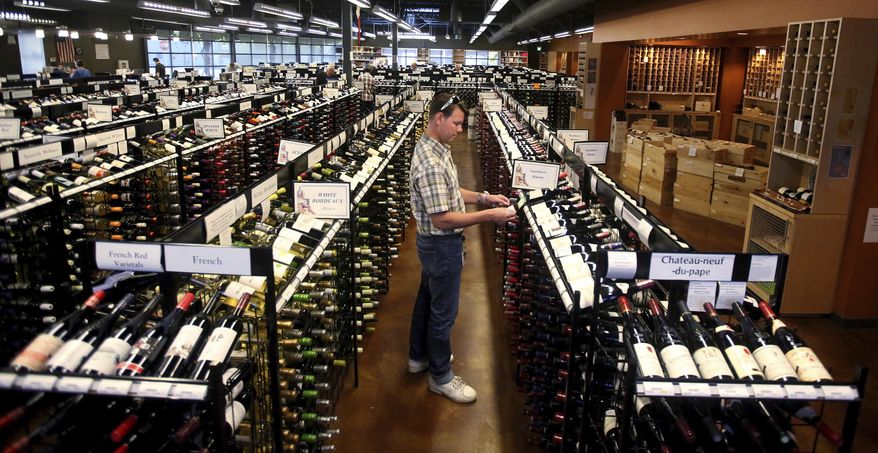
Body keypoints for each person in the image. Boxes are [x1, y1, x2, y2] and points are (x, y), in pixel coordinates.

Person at [408, 93, 517, 403]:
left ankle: (419, 357)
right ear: (438, 119)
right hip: (441, 246)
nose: (460, 129)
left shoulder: (435, 147)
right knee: (443, 314)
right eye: (456, 123)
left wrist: (483, 197)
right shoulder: (430, 163)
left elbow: (450, 191)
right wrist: (490, 216)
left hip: (435, 246)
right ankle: (441, 377)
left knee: (427, 300)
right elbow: (442, 219)